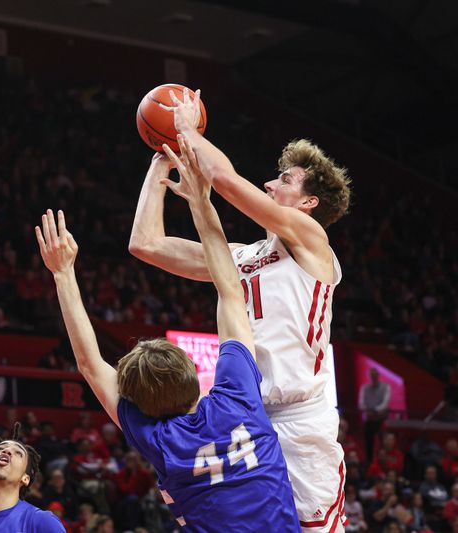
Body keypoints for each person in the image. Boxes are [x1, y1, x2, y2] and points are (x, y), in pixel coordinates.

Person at [130, 89, 351, 531]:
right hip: (243, 415)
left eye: (284, 180)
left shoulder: (312, 242)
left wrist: (188, 129)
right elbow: (146, 244)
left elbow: (226, 182)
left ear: (309, 203)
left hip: (298, 418)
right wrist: (161, 161)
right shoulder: (244, 255)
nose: (271, 184)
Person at [38, 204, 299, 528]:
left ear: (142, 405)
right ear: (190, 369)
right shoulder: (237, 399)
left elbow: (89, 364)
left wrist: (62, 273)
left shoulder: (158, 438)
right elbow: (230, 291)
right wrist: (201, 200)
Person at [359, 368, 391, 460]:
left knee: (382, 442)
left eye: (375, 375)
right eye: (371, 376)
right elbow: (361, 404)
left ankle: (383, 460)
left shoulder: (386, 387)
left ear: (378, 376)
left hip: (381, 419)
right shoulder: (364, 388)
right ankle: (369, 462)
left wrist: (375, 411)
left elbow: (385, 403)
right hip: (369, 420)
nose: (373, 377)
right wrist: (368, 411)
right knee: (369, 443)